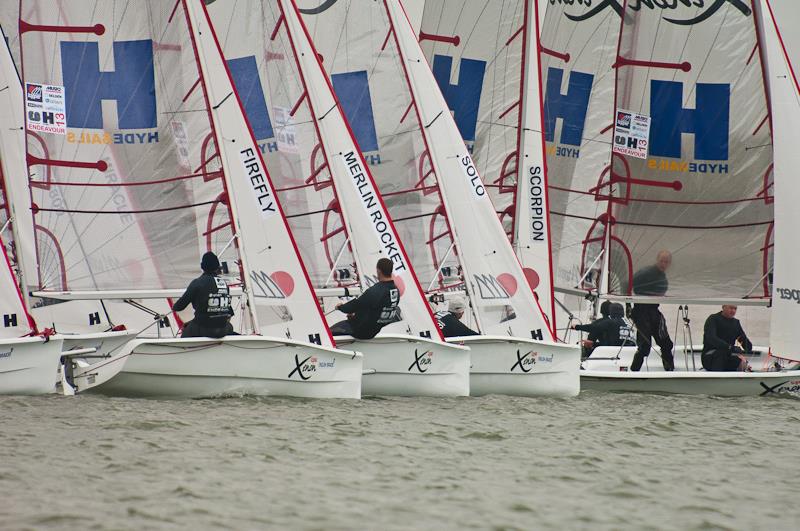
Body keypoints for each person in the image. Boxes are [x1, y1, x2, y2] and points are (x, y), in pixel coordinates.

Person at [330, 258, 401, 339]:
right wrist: (356, 315)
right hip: (373, 332)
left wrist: (340, 307)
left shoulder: (375, 291)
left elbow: (354, 306)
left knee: (328, 333)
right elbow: (377, 310)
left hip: (359, 331)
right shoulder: (396, 291)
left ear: (378, 271)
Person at [630, 250, 675, 371]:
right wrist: (628, 307)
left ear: (669, 263)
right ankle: (634, 371)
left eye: (666, 262)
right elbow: (627, 284)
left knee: (666, 343)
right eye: (661, 261)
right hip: (640, 311)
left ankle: (670, 370)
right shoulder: (645, 272)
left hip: (654, 311)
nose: (663, 264)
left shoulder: (663, 278)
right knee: (645, 346)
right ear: (657, 260)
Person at [172, 251, 234, 338]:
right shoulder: (224, 283)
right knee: (230, 327)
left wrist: (174, 307)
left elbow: (179, 307)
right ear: (217, 267)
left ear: (202, 266)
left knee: (185, 331)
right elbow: (229, 312)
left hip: (204, 329)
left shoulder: (197, 283)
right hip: (222, 330)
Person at [701, 305, 752, 372]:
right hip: (710, 356)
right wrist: (730, 347)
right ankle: (716, 379)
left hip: (727, 356)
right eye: (731, 308)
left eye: (735, 309)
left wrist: (747, 348)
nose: (733, 311)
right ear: (723, 307)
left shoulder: (735, 323)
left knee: (741, 363)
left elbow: (743, 340)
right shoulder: (713, 319)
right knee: (721, 354)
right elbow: (712, 339)